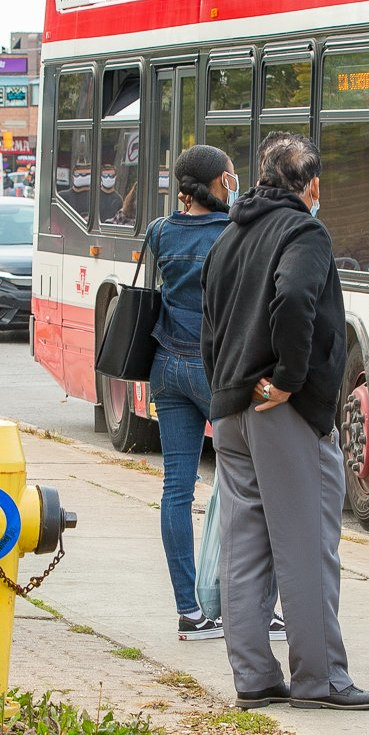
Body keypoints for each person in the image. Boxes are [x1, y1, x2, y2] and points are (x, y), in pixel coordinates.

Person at [202, 131, 369, 711]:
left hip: (232, 408)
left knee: (244, 547)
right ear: (310, 185)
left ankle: (255, 677)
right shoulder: (303, 231)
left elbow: (209, 319)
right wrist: (287, 377)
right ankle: (321, 679)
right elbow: (294, 298)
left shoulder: (232, 233)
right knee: (307, 544)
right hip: (278, 411)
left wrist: (231, 380)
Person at [150, 145, 265, 642]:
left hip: (165, 366)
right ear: (219, 181)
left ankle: (189, 612)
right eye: (230, 178)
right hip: (212, 370)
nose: (234, 184)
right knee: (244, 486)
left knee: (176, 490)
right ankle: (244, 604)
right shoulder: (229, 235)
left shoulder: (160, 232)